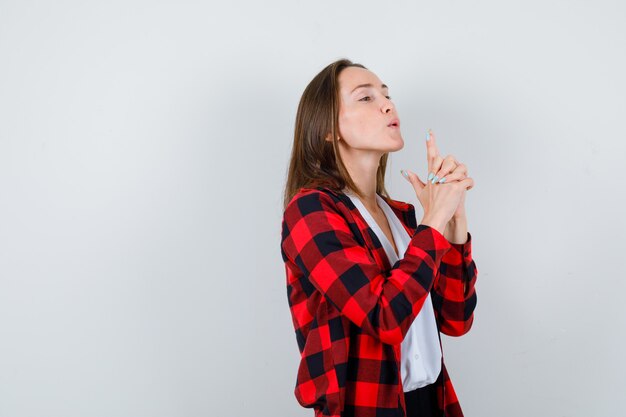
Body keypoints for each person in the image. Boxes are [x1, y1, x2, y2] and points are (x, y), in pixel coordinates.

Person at [280, 58, 478, 417]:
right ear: (328, 129)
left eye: (386, 94)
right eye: (366, 98)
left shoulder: (399, 215)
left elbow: (456, 318)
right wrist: (432, 222)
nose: (388, 104)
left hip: (432, 404)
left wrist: (453, 223)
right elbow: (383, 316)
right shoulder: (311, 211)